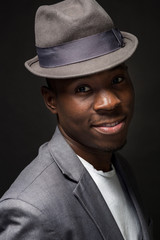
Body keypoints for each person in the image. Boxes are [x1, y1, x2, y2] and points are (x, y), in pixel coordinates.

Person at [0, 0, 153, 239]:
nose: (109, 102)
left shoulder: (121, 168)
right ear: (51, 101)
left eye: (117, 80)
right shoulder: (30, 210)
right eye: (82, 89)